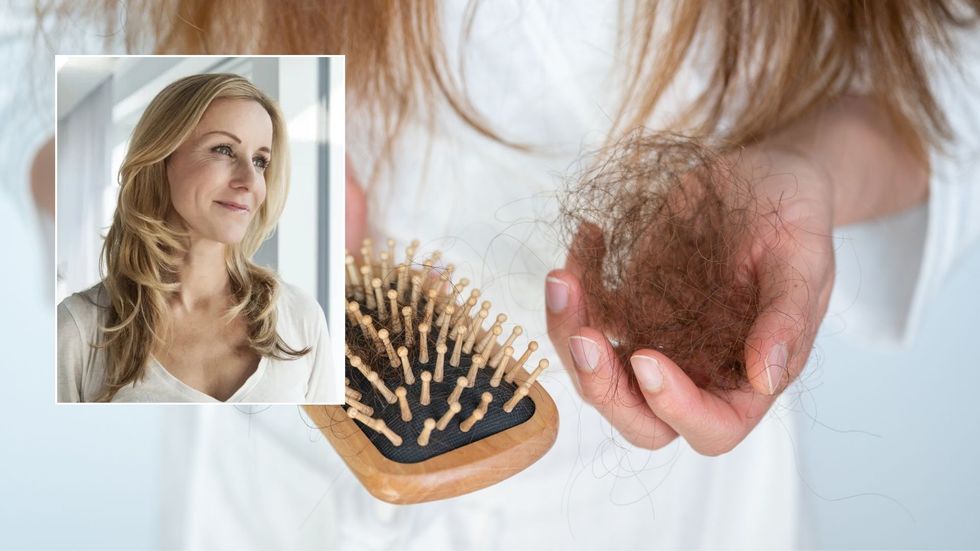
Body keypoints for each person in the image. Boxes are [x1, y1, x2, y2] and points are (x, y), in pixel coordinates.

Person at [11, 0, 980, 548]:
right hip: (279, 499)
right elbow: (29, 101)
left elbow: (942, 68)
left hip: (675, 516)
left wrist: (810, 167)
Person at [57, 73, 333, 403]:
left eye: (260, 161)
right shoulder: (76, 331)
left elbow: (330, 454)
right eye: (224, 150)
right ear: (161, 159)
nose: (249, 179)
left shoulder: (301, 318)